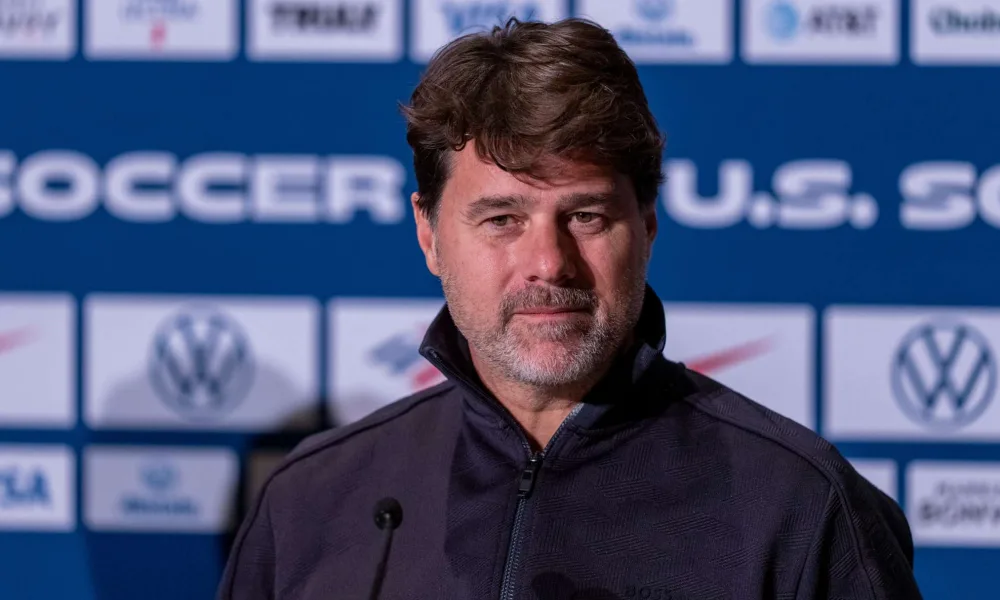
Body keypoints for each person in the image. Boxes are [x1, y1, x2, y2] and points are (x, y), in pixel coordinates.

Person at [218, 18, 923, 600]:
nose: (549, 263)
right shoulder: (311, 500)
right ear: (429, 234)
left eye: (585, 215)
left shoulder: (800, 506)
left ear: (647, 227)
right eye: (502, 219)